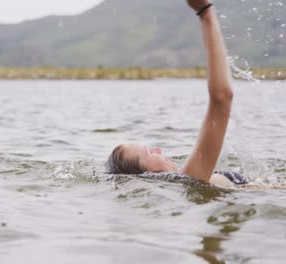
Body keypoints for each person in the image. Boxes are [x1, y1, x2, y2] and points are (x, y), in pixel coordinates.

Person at [106, 0, 248, 186]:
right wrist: (205, 13)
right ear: (148, 174)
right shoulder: (191, 178)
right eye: (149, 152)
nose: (158, 149)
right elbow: (222, 97)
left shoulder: (187, 177)